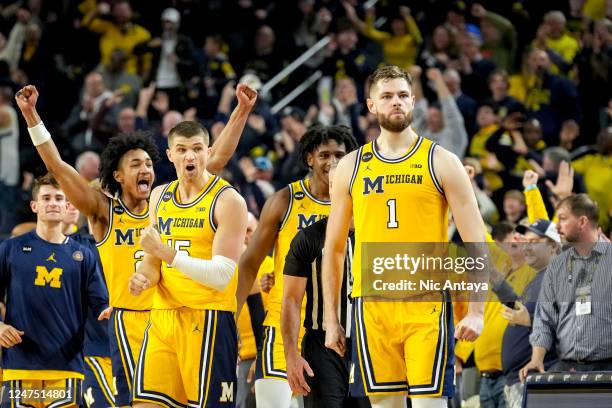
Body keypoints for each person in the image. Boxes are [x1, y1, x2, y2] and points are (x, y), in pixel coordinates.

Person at [15, 83, 257, 407]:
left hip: (177, 312)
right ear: (118, 175)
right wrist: (32, 117)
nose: (145, 170)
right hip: (131, 321)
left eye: (148, 163)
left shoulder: (167, 199)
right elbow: (59, 168)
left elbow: (215, 158)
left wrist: (241, 111)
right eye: (135, 165)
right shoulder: (104, 211)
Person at [322, 65, 487, 408]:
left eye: (401, 95)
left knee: (430, 404)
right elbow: (334, 249)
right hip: (371, 304)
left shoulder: (442, 161)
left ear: (413, 101)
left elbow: (476, 240)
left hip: (425, 302)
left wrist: (476, 311)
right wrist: (332, 319)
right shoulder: (351, 166)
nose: (395, 102)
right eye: (386, 96)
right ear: (371, 105)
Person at [128, 121, 248, 407]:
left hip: (207, 318)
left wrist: (167, 254)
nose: (189, 156)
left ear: (208, 152)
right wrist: (142, 276)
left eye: (196, 149)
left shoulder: (228, 200)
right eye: (181, 150)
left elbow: (222, 275)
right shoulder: (159, 196)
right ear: (170, 155)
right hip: (162, 318)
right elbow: (151, 260)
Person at [237, 125, 357, 408]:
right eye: (325, 154)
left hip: (335, 329)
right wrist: (230, 321)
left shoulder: (359, 205)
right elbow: (250, 263)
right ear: (309, 159)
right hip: (282, 325)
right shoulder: (284, 200)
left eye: (340, 155)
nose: (333, 162)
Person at [0, 174, 108, 408]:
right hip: (20, 366)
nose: (52, 203)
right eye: (46, 197)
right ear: (34, 205)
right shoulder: (10, 248)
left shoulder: (83, 255)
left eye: (59, 198)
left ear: (68, 204)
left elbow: (101, 304)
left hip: (66, 368)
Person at [281, 164, 368, 408]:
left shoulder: (378, 235)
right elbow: (291, 300)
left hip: (371, 344)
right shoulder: (309, 238)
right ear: (331, 188)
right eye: (337, 184)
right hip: (322, 347)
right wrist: (291, 356)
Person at [520, 194, 612, 380]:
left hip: (607, 369)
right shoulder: (557, 266)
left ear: (583, 221)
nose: (557, 226)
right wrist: (537, 358)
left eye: (562, 218)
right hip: (568, 370)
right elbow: (544, 318)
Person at [500, 219, 560, 408]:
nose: (526, 247)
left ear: (552, 246)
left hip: (539, 378)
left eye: (533, 242)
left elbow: (574, 326)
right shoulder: (539, 278)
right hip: (520, 380)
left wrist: (531, 320)